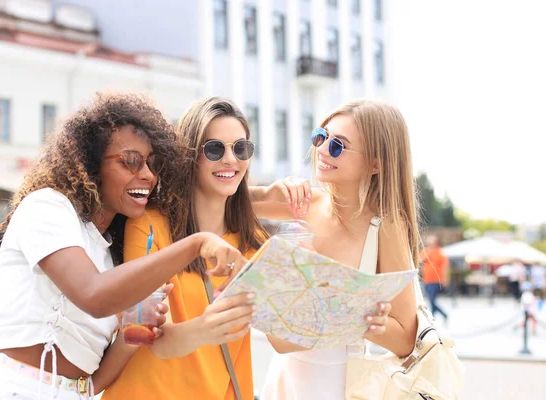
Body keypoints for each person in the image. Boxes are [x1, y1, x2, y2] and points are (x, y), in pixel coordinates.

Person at [0, 93, 247, 400]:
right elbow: (93, 294)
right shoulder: (47, 208)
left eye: (153, 163)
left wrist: (136, 331)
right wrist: (196, 245)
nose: (146, 174)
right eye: (131, 160)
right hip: (12, 389)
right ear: (92, 164)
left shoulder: (108, 255)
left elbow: (92, 382)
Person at [251, 99, 419, 399]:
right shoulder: (304, 204)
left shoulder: (385, 227)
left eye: (338, 145)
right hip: (283, 382)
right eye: (320, 137)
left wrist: (365, 320)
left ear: (375, 163)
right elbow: (221, 202)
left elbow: (407, 340)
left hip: (340, 386)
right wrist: (266, 192)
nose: (323, 150)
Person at [102, 97, 269, 400]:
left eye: (241, 148)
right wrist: (210, 325)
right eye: (215, 149)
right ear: (191, 156)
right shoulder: (150, 227)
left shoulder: (252, 240)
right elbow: (158, 340)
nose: (231, 160)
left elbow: (285, 339)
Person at [420, 235, 450, 323]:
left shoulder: (440, 252)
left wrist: (445, 280)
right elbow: (419, 260)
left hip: (436, 280)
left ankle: (433, 317)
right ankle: (442, 315)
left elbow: (445, 268)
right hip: (427, 280)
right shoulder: (426, 251)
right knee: (431, 300)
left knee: (431, 300)